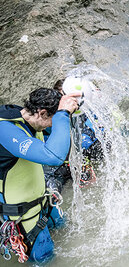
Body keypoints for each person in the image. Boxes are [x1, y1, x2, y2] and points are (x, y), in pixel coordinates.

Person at [0, 88, 79, 263]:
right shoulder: (4, 129)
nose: (52, 126)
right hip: (23, 217)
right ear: (42, 113)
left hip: (44, 202)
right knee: (45, 260)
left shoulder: (29, 120)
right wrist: (62, 114)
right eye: (52, 120)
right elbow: (53, 156)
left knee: (68, 233)